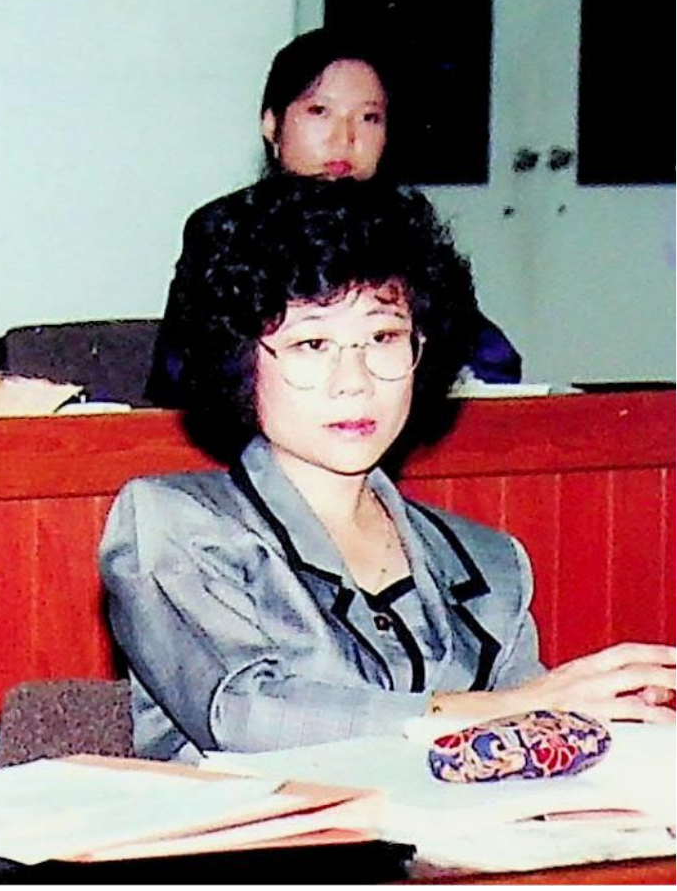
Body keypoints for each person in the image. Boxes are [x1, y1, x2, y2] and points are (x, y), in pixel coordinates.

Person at [100, 176, 675, 761]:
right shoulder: (175, 525)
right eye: (312, 345)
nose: (355, 381)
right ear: (243, 361)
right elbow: (244, 714)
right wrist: (504, 708)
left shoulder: (491, 564)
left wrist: (602, 722)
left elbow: (519, 749)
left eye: (382, 336)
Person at [146, 27, 521, 407]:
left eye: (369, 117)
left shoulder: (403, 226)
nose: (344, 137)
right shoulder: (224, 227)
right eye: (319, 112)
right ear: (272, 124)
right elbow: (181, 376)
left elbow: (493, 361)